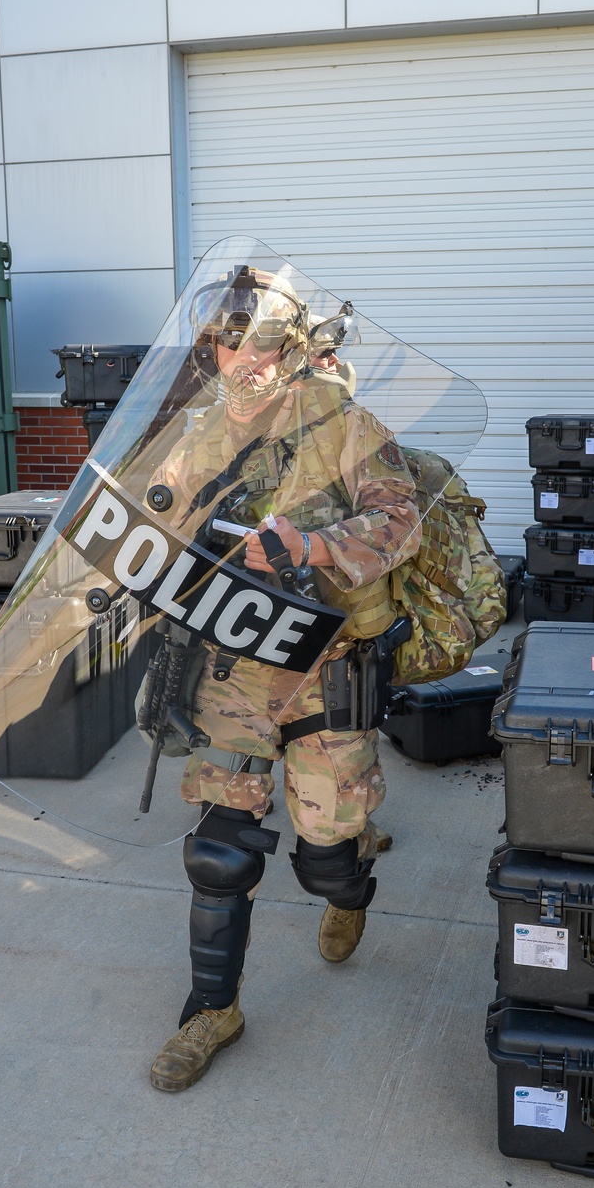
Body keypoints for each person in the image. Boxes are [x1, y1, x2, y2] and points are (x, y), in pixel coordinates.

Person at [145, 266, 420, 1092]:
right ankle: (211, 1011)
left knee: (324, 857)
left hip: (325, 669)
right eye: (225, 352)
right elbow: (158, 505)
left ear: (292, 349)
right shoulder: (204, 430)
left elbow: (401, 519)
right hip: (231, 668)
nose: (239, 367)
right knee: (219, 856)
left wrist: (309, 546)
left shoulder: (345, 425)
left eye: (256, 349)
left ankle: (352, 877)